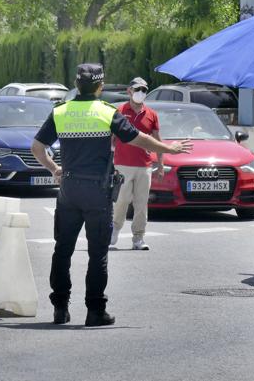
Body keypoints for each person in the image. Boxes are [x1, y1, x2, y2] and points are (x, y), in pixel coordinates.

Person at [31, 63, 192, 327]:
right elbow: (137, 138)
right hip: (97, 190)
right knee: (97, 253)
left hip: (69, 189)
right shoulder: (106, 112)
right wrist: (168, 149)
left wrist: (54, 168)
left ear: (76, 83)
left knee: (62, 250)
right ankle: (95, 311)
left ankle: (60, 308)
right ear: (100, 86)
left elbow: (37, 146)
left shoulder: (60, 112)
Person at [111, 77, 166, 250]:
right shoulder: (119, 111)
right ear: (129, 91)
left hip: (144, 166)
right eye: (137, 89)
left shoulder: (152, 114)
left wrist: (161, 164)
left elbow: (157, 140)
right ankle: (114, 231)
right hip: (122, 165)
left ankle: (138, 238)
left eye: (144, 90)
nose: (140, 93)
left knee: (141, 203)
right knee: (121, 200)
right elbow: (111, 139)